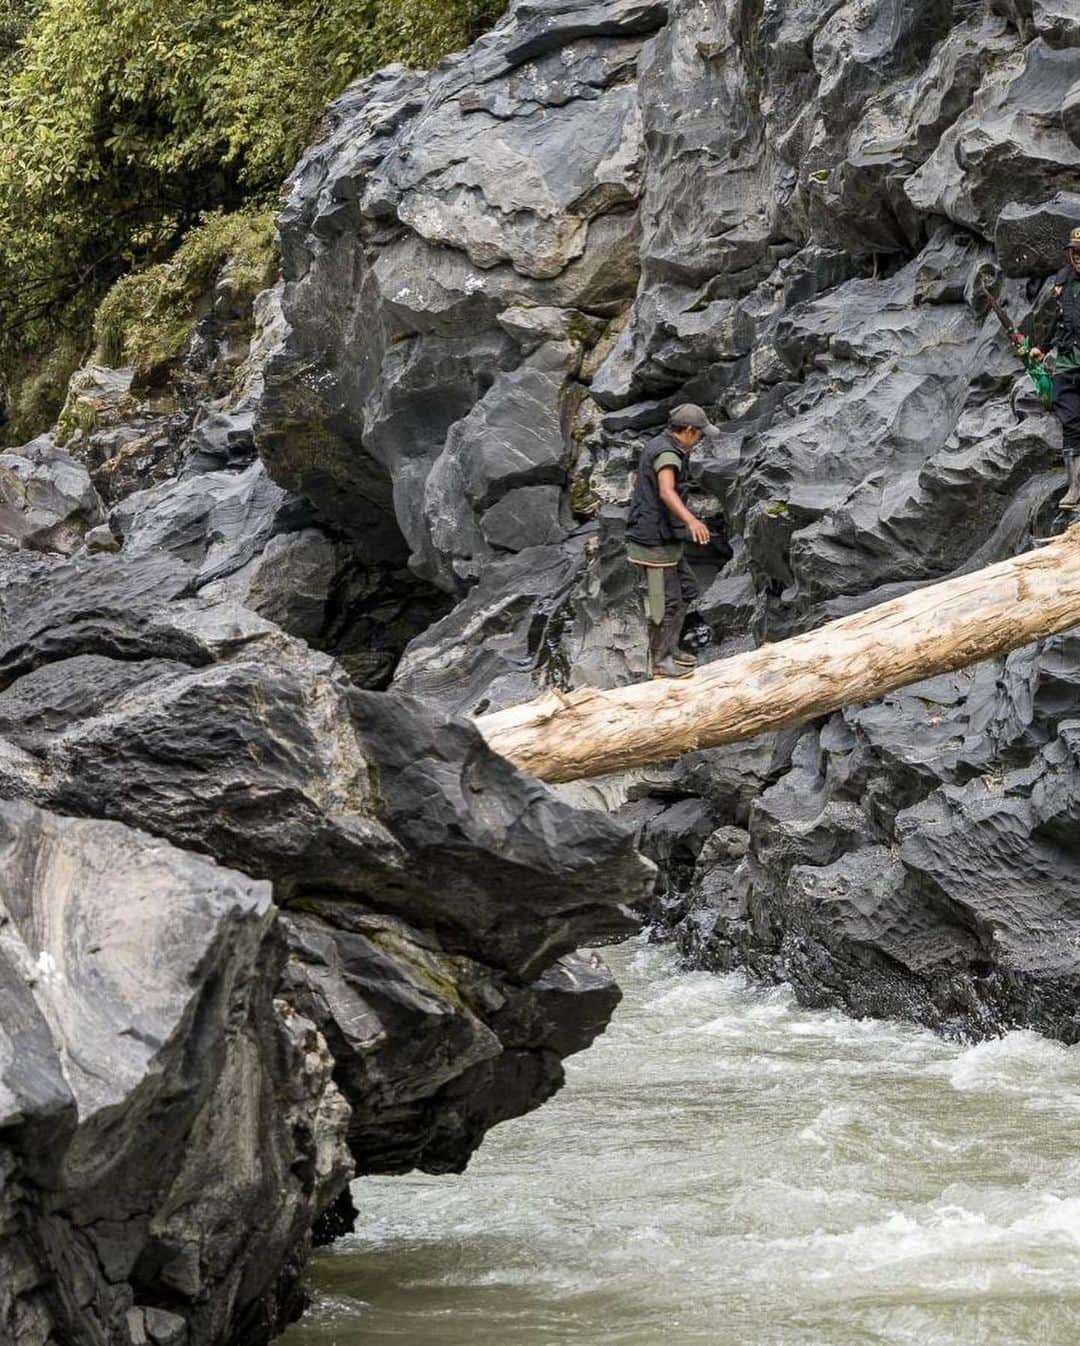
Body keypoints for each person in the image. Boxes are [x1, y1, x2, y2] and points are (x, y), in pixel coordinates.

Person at [626, 403, 716, 679]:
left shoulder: (663, 445)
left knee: (686, 591)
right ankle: (659, 662)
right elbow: (666, 491)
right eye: (699, 434)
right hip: (651, 544)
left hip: (666, 541)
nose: (699, 439)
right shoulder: (667, 455)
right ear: (688, 431)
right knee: (663, 603)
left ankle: (670, 648)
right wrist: (692, 521)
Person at [1030, 227, 1080, 509]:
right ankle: (1075, 488)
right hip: (1066, 366)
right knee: (1071, 424)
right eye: (1075, 252)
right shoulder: (1062, 283)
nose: (1079, 257)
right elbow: (1053, 320)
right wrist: (1043, 347)